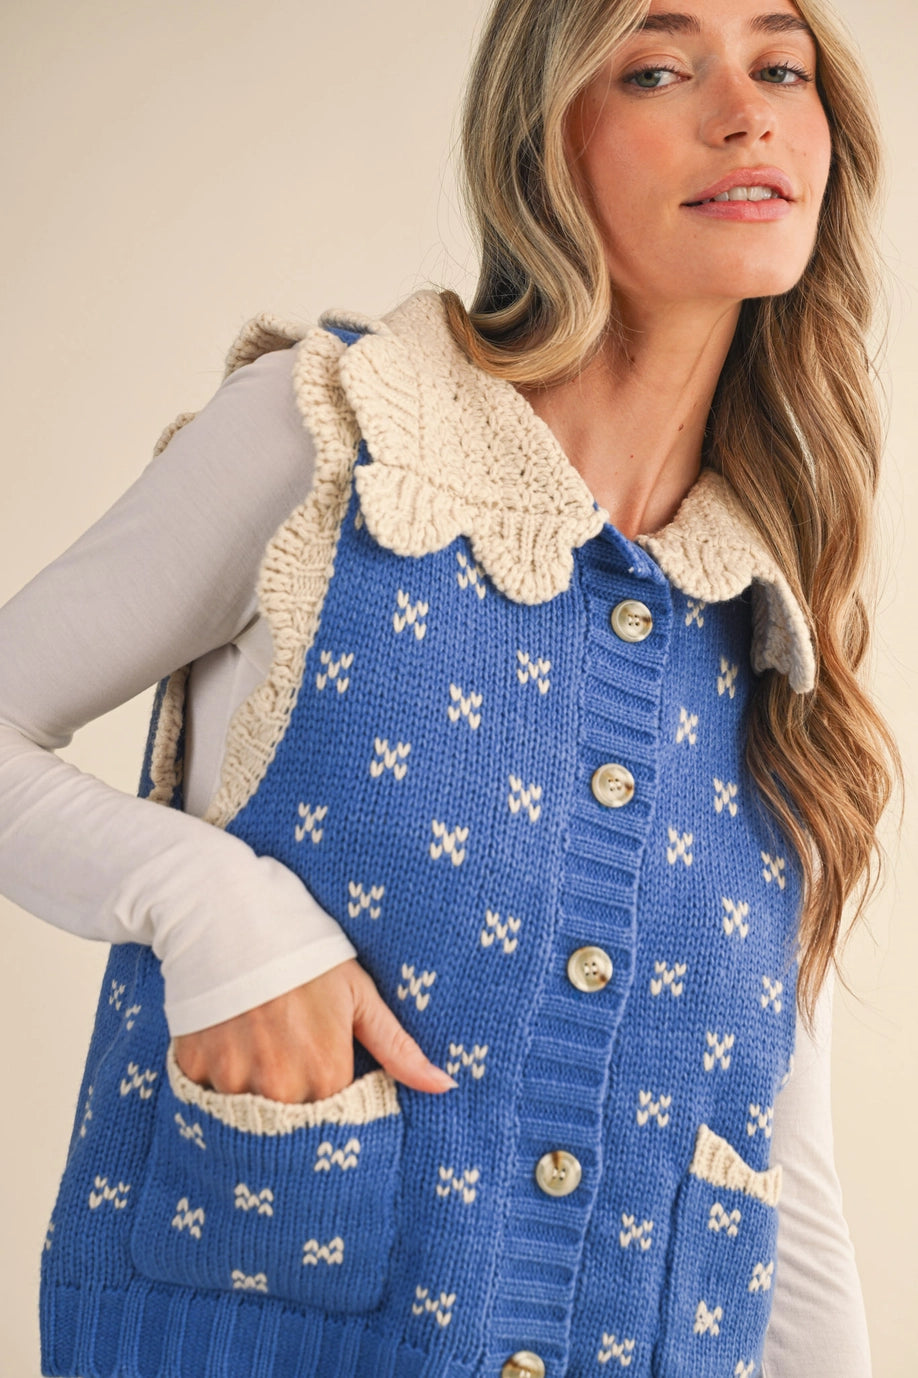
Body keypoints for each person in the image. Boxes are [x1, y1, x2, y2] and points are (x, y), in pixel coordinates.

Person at [0, 0, 898, 1374]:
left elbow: (783, 1179)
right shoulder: (337, 440)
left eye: (782, 67)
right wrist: (213, 908)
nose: (746, 113)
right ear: (542, 140)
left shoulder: (771, 616)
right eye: (660, 69)